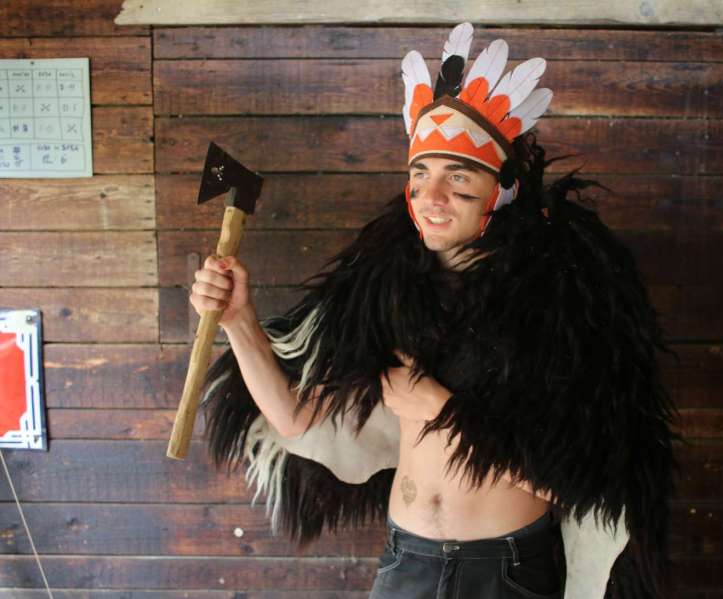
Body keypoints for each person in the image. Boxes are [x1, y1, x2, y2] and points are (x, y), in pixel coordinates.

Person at [190, 22, 682, 599]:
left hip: (505, 572)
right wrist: (239, 319)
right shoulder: (386, 294)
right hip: (407, 563)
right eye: (420, 175)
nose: (432, 197)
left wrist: (439, 408)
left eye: (458, 178)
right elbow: (297, 420)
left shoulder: (559, 309)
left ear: (501, 190)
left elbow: (573, 481)